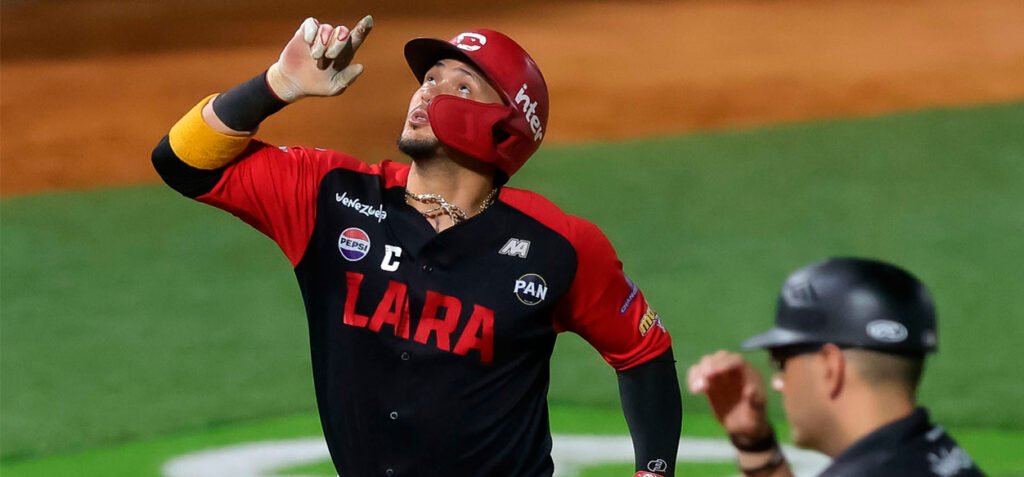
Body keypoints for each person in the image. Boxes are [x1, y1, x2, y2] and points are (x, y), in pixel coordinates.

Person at [151, 15, 681, 477]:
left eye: (461, 87)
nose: (427, 92)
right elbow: (179, 163)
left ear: (508, 131)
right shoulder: (329, 195)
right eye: (429, 79)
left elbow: (643, 352)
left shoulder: (559, 245)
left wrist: (653, 472)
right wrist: (278, 84)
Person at [687, 257, 984, 476]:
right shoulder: (935, 452)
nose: (778, 382)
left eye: (781, 361)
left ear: (831, 366)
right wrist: (754, 443)